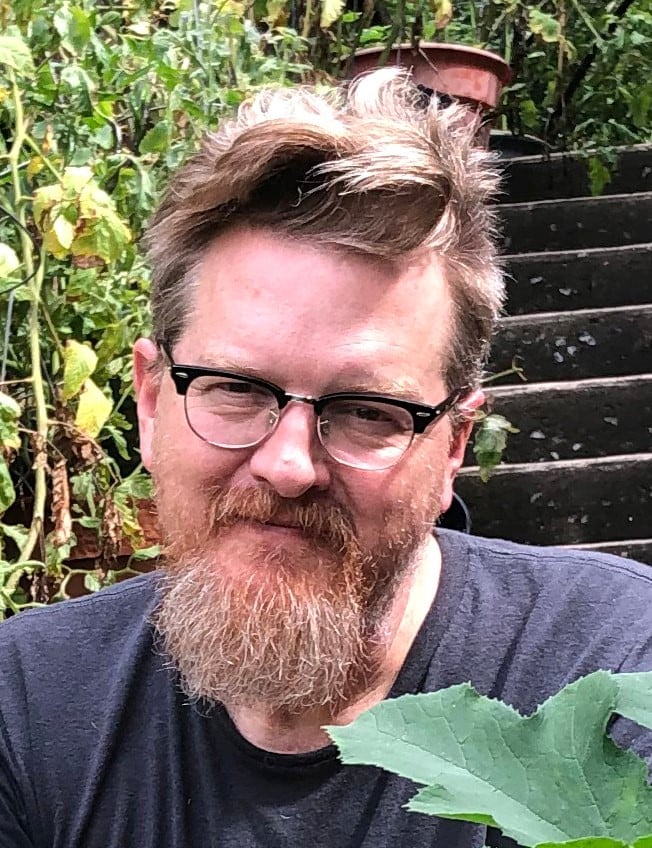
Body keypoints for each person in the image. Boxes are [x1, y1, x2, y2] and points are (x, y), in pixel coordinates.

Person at [0, 69, 650, 848]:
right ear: (148, 401)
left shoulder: (619, 671)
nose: (287, 466)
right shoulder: (30, 704)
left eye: (368, 411)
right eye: (235, 389)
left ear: (453, 445)